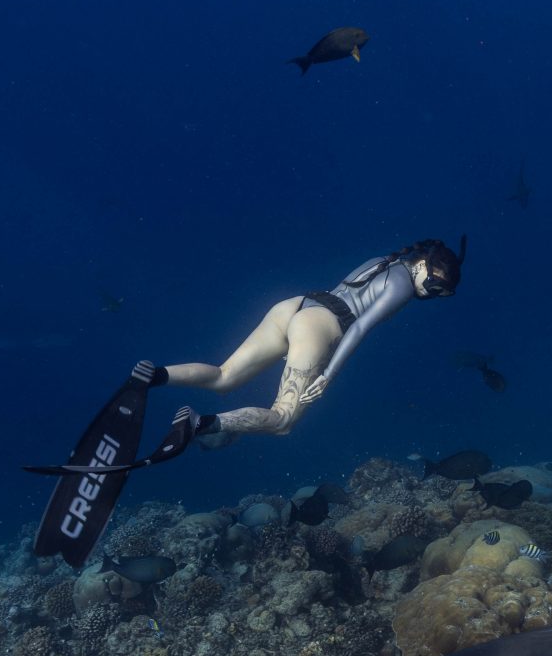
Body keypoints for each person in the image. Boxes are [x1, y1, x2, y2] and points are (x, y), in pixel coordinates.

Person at [28, 238, 464, 568]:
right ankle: (199, 424)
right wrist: (328, 376)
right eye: (435, 283)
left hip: (297, 304)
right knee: (282, 421)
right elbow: (362, 326)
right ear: (423, 264)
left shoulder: (385, 260)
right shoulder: (405, 283)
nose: (432, 293)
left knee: (224, 376)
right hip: (324, 328)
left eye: (441, 295)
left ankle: (155, 376)